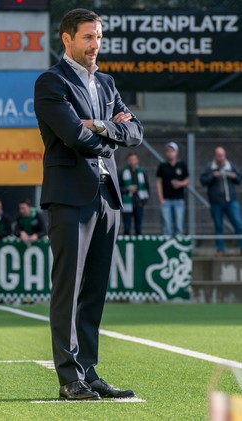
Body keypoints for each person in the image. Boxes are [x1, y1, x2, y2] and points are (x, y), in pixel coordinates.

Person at [34, 9, 143, 400]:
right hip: (69, 196)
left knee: (95, 290)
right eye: (87, 37)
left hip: (107, 197)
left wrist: (100, 126)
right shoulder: (51, 81)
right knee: (69, 288)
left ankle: (89, 371)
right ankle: (68, 378)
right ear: (67, 39)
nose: (95, 45)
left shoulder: (108, 82)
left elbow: (136, 132)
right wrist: (108, 131)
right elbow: (73, 136)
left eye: (98, 37)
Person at [200, 146, 242, 256]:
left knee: (238, 224)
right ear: (215, 156)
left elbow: (239, 178)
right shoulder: (210, 167)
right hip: (216, 202)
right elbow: (203, 181)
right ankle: (220, 249)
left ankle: (241, 247)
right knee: (218, 226)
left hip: (231, 200)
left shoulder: (230, 165)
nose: (221, 157)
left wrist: (234, 176)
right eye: (219, 155)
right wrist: (213, 176)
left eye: (223, 155)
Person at [156, 142, 189, 236]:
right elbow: (158, 182)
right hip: (166, 200)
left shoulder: (182, 165)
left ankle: (177, 247)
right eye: (168, 151)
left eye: (172, 151)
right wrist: (161, 198)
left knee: (179, 225)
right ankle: (167, 247)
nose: (170, 153)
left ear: (176, 152)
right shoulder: (162, 166)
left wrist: (180, 183)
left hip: (179, 199)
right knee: (166, 226)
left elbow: (187, 180)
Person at [119, 152, 149, 235]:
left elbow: (147, 187)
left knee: (138, 228)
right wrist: (127, 190)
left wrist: (144, 200)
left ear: (137, 160)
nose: (133, 161)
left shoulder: (142, 172)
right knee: (127, 228)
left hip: (139, 202)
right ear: (128, 161)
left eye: (134, 159)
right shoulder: (122, 173)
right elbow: (118, 188)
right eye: (131, 160)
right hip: (126, 202)